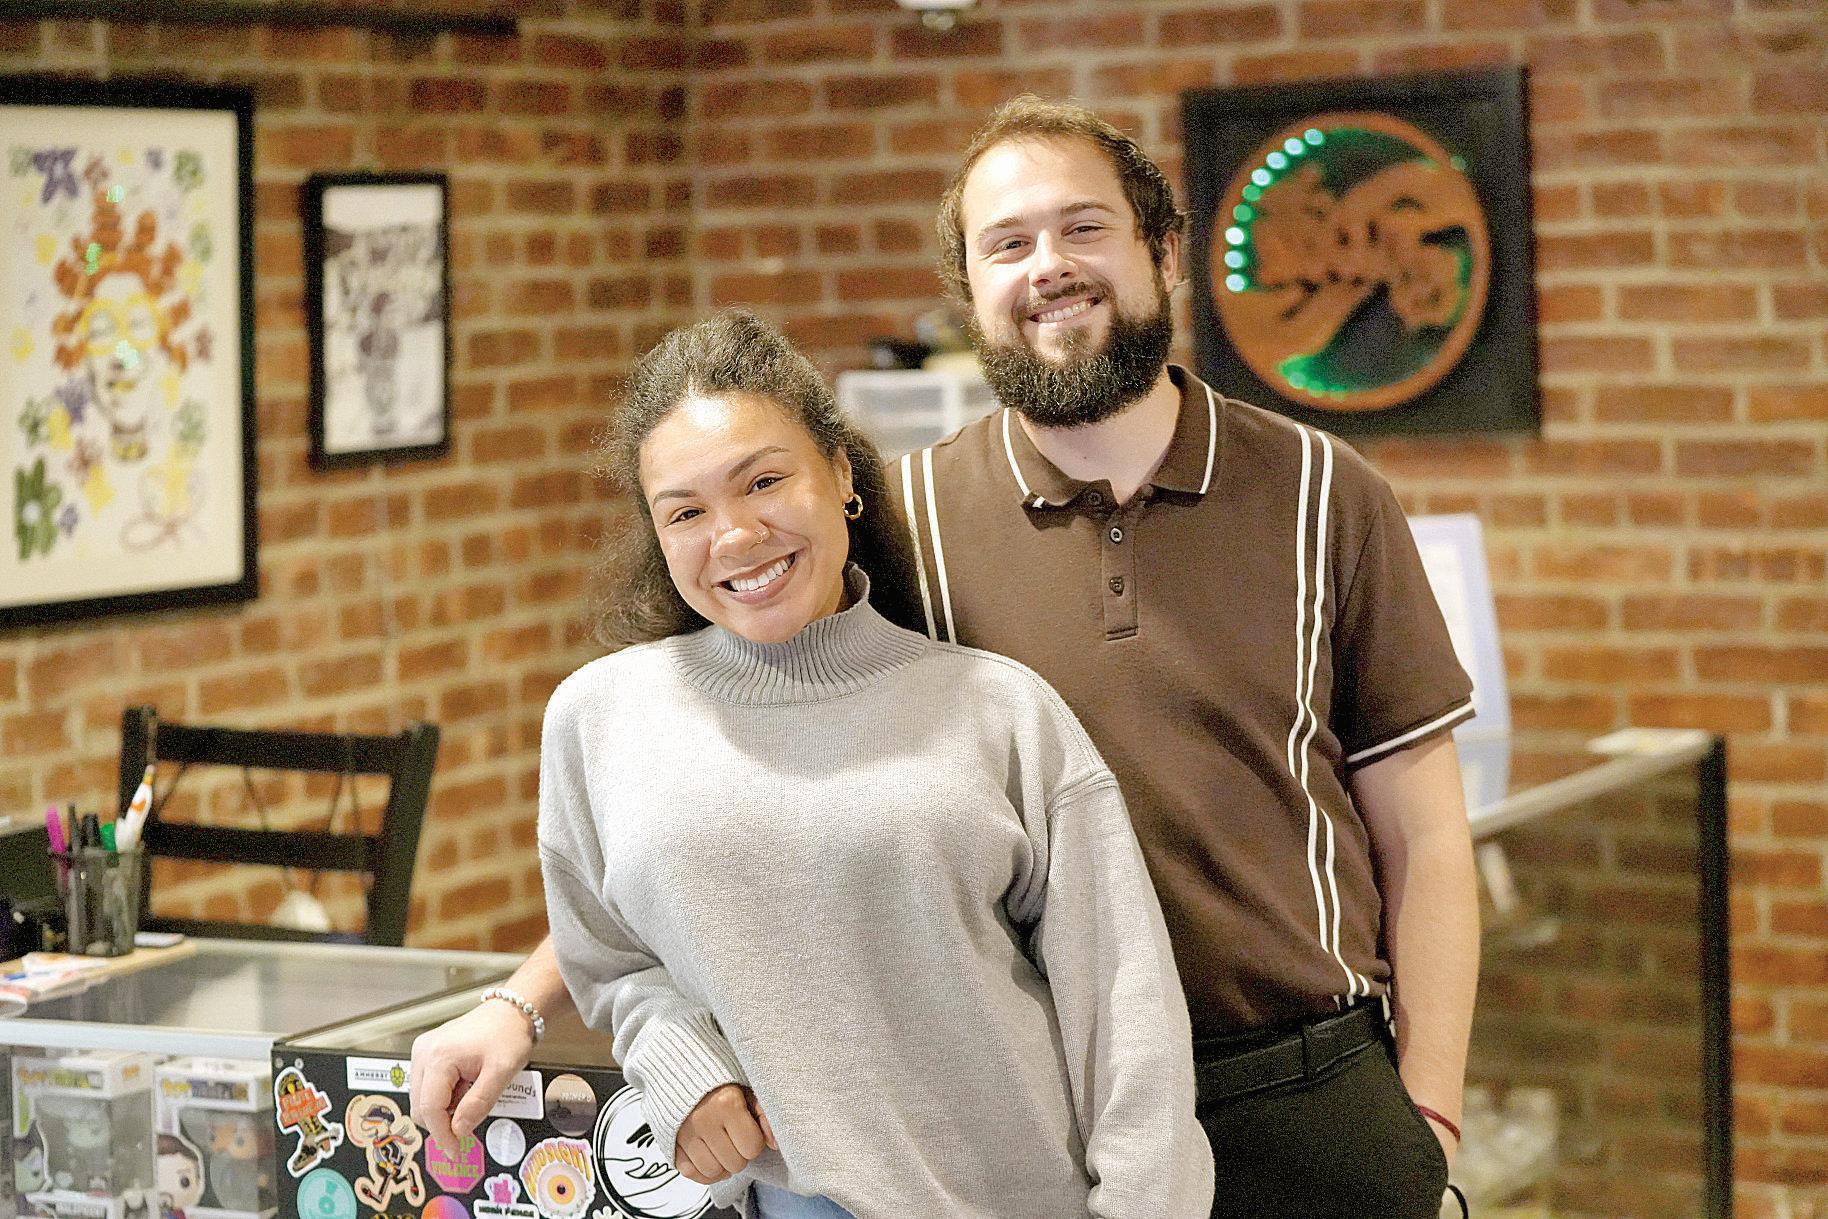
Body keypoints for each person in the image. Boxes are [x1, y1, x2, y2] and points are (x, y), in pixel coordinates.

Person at [414, 97, 1479, 1219]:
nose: (1047, 266)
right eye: (1006, 244)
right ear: (970, 292)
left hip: (1305, 1087)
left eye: (1083, 227)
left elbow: (1425, 836)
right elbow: (713, 809)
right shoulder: (906, 524)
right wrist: (523, 999)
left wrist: (1432, 1116)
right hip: (1047, 1115)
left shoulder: (1324, 493)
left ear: (1163, 251)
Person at [428, 309, 1212, 1219]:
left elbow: (1127, 1016)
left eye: (763, 480)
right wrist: (678, 1057)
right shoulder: (599, 718)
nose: (733, 534)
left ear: (841, 474)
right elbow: (607, 953)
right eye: (685, 511)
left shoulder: (999, 710)